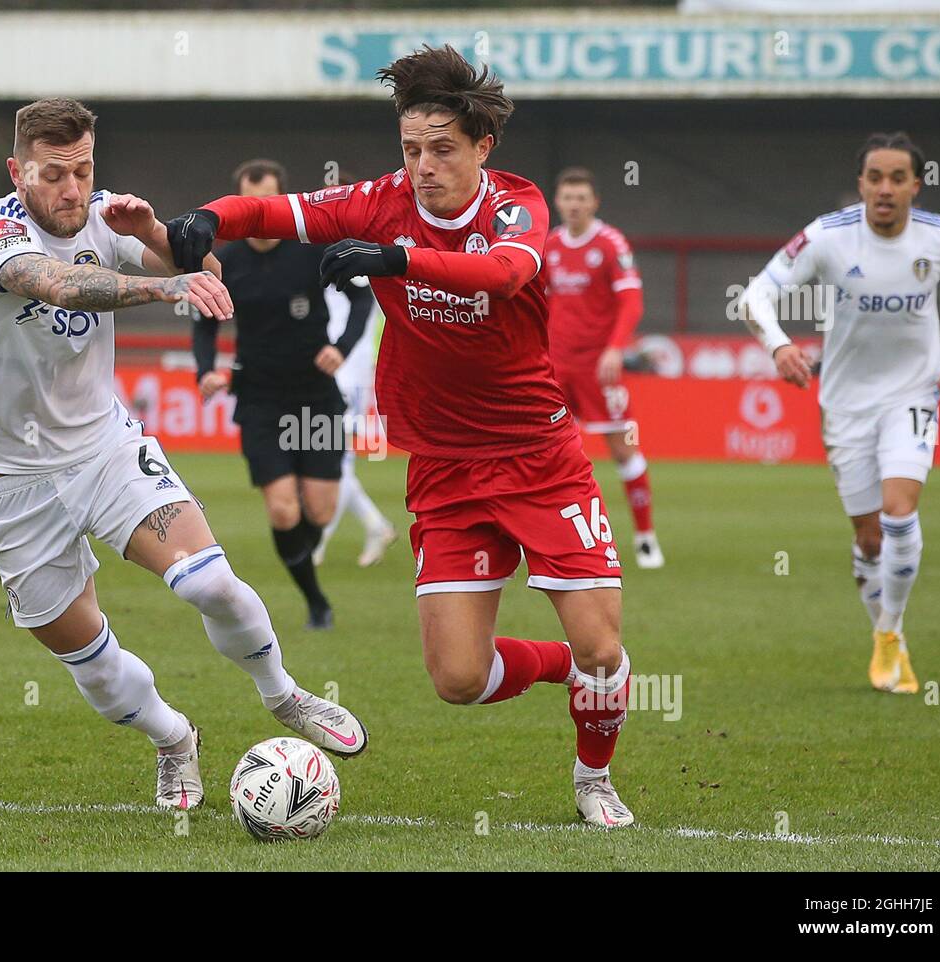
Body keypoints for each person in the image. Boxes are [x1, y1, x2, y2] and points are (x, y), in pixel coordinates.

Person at [167, 47, 637, 827]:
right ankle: (568, 671)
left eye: (442, 149)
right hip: (446, 470)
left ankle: (594, 778)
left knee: (602, 646)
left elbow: (505, 275)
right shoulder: (382, 199)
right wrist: (208, 216)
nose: (423, 167)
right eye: (411, 149)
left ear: (483, 148)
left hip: (539, 459)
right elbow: (277, 214)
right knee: (458, 679)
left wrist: (396, 259)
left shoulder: (515, 208)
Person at [0, 98, 367, 811]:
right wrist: (166, 283)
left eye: (82, 170)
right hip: (6, 482)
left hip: (104, 450)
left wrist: (155, 236)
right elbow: (60, 284)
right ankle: (174, 738)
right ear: (18, 172)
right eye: (53, 174)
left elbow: (204, 268)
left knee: (208, 583)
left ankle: (284, 694)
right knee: (92, 666)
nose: (72, 190)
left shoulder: (104, 214)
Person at [741, 131, 940, 694]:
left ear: (916, 186)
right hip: (845, 402)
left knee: (900, 512)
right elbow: (755, 295)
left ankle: (891, 634)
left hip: (914, 393)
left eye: (898, 178)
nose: (885, 189)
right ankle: (883, 629)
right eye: (875, 178)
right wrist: (778, 345)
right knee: (870, 539)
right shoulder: (828, 237)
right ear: (861, 184)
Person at [194, 159, 373, 628]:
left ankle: (304, 571)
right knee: (282, 507)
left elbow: (362, 298)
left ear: (280, 202)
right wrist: (205, 371)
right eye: (248, 206)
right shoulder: (225, 262)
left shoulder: (312, 250)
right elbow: (203, 323)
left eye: (266, 204)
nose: (257, 214)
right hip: (259, 398)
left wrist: (341, 347)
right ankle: (315, 600)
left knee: (319, 508)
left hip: (315, 397)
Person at [547, 167, 662, 568]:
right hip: (554, 367)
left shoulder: (611, 244)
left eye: (581, 198)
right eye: (567, 197)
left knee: (621, 448)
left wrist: (615, 349)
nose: (574, 204)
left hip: (599, 368)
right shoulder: (550, 245)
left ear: (594, 202)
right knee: (545, 451)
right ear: (558, 201)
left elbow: (632, 301)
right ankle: (552, 539)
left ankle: (645, 536)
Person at [314, 174, 400, 570]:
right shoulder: (330, 251)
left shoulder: (359, 257)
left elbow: (362, 313)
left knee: (330, 457)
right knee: (328, 455)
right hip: (334, 367)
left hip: (347, 370)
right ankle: (372, 525)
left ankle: (319, 541)